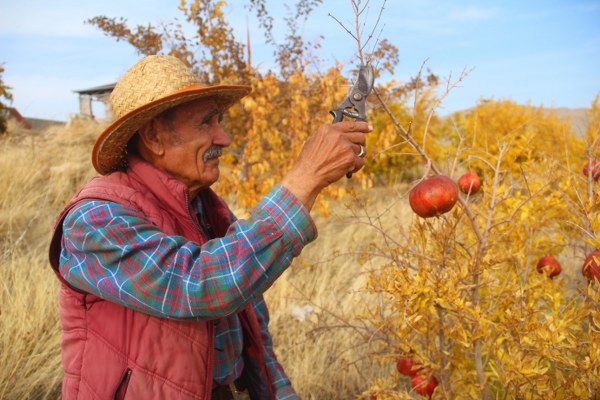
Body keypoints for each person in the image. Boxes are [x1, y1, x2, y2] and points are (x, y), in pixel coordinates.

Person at [49, 55, 370, 400]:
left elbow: (253, 333)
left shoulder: (208, 209)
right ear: (155, 136)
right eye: (206, 124)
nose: (224, 138)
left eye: (219, 121)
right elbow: (200, 285)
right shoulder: (95, 220)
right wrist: (306, 177)